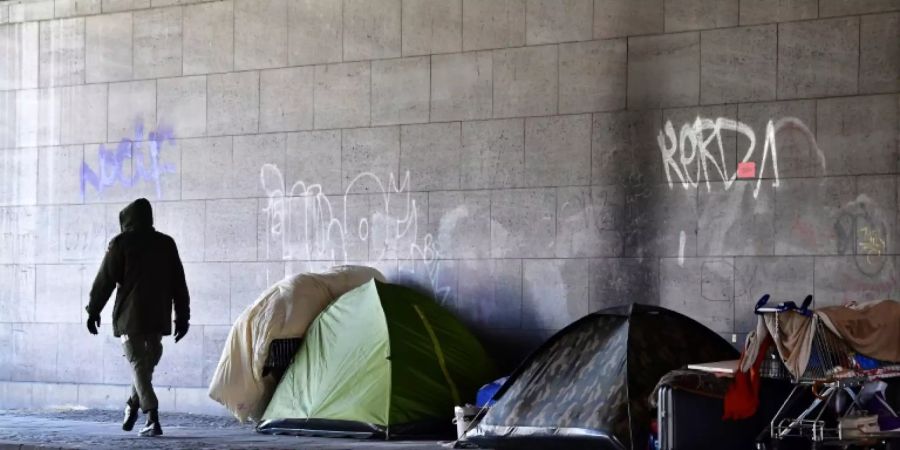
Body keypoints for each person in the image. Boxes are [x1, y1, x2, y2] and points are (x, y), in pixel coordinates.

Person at [85, 198, 190, 437]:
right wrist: (182, 317)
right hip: (158, 315)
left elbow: (105, 281)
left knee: (140, 366)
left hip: (129, 318)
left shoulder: (120, 244)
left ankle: (139, 409)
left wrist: (93, 311)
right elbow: (179, 285)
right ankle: (148, 414)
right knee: (143, 366)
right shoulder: (166, 244)